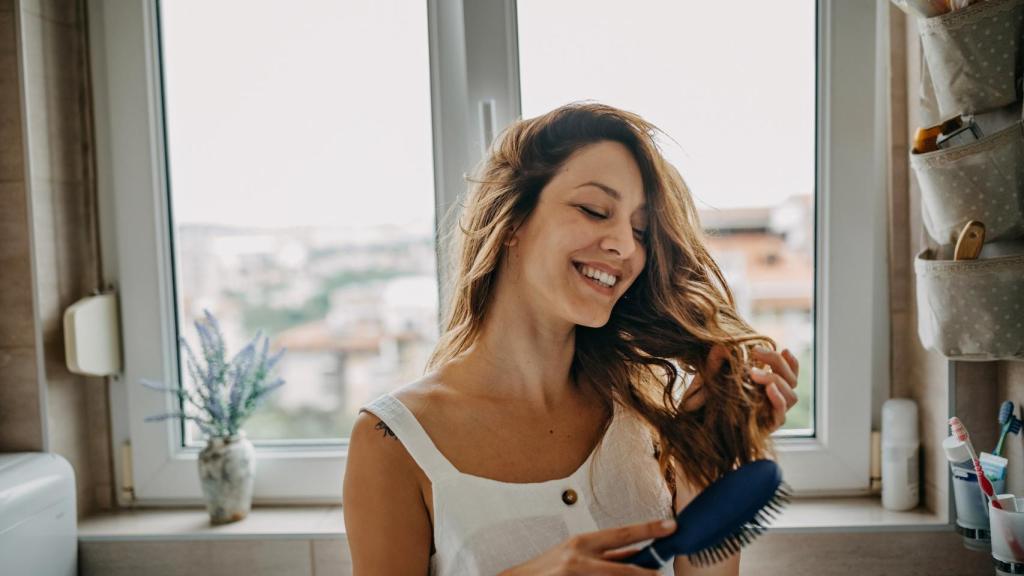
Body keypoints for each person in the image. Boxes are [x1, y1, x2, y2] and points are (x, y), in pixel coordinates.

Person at [343, 102, 800, 575]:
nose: (624, 245)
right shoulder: (395, 441)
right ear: (512, 219)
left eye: (640, 230)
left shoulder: (646, 418)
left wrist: (707, 460)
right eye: (594, 210)